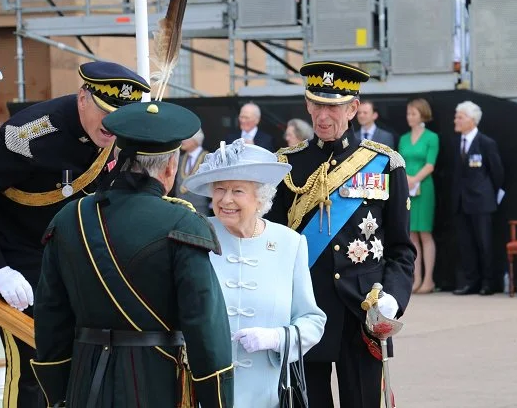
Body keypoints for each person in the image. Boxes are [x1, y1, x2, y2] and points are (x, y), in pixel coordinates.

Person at [0, 61, 150, 407]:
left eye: (119, 116)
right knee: (34, 362)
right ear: (83, 97)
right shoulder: (30, 134)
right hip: (14, 255)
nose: (111, 125)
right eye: (105, 112)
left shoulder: (121, 132)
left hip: (67, 253)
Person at [32, 101, 234, 408]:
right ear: (170, 167)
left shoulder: (69, 219)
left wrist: (59, 394)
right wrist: (217, 400)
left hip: (84, 386)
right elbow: (205, 327)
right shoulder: (182, 224)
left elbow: (50, 318)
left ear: (116, 157)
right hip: (157, 383)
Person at [268, 60, 415, 408]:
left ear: (353, 108)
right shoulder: (285, 165)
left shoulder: (384, 164)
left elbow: (401, 249)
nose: (323, 115)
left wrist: (393, 297)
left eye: (332, 106)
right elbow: (270, 243)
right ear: (307, 104)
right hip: (305, 310)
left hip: (361, 314)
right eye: (316, 104)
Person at [183, 139, 326, 407]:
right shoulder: (194, 235)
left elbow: (312, 321)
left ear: (260, 198)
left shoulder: (289, 243)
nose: (226, 200)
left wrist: (276, 338)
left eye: (237, 191)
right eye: (219, 189)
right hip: (204, 392)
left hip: (268, 393)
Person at [452, 100, 504, 296]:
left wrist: (490, 194)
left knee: (485, 244)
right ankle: (471, 281)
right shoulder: (456, 142)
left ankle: (488, 282)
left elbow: (497, 172)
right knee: (466, 245)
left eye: (460, 117)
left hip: (482, 201)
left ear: (472, 120)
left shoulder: (486, 143)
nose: (455, 120)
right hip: (461, 201)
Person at [398, 98, 439, 294]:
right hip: (407, 186)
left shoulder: (432, 137)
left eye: (413, 113)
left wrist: (415, 179)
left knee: (425, 232)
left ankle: (429, 279)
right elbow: (399, 161)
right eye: (408, 113)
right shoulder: (404, 138)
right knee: (411, 234)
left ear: (423, 114)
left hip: (424, 187)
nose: (409, 117)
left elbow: (430, 164)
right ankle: (416, 278)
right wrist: (406, 179)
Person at [173, 128, 211, 214]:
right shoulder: (181, 158)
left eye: (186, 138)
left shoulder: (209, 158)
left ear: (196, 139)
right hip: (180, 207)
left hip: (199, 209)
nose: (182, 141)